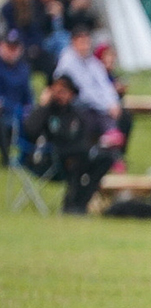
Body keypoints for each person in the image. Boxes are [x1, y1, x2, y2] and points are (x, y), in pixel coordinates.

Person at [21, 75, 114, 214]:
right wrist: (43, 106)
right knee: (75, 161)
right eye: (57, 91)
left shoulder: (76, 114)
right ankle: (71, 205)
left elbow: (84, 138)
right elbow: (30, 131)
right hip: (50, 158)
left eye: (64, 91)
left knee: (106, 158)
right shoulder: (46, 112)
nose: (61, 95)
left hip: (78, 156)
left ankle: (81, 203)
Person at [53, 27, 122, 139]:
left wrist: (113, 102)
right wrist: (106, 106)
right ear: (73, 42)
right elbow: (85, 92)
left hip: (95, 105)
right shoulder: (67, 63)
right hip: (76, 105)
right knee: (93, 116)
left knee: (123, 116)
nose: (85, 46)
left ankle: (111, 144)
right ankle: (106, 143)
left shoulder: (92, 61)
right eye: (82, 42)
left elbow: (104, 84)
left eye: (87, 42)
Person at [1, 0, 56, 83]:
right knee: (24, 62)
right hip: (19, 45)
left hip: (35, 46)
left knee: (50, 61)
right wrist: (27, 46)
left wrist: (36, 45)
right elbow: (13, 32)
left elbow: (37, 30)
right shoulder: (9, 8)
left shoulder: (34, 5)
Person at [0, 29, 34, 166]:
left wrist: (29, 109)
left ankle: (28, 158)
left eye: (15, 47)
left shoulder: (23, 68)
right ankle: (6, 159)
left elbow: (28, 95)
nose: (12, 51)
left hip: (20, 112)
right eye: (9, 47)